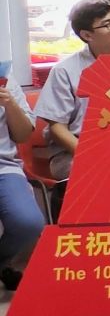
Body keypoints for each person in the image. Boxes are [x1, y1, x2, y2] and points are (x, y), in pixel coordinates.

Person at [35, 0, 110, 182]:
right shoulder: (64, 70)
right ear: (87, 35)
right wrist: (90, 155)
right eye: (108, 24)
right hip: (74, 152)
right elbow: (57, 127)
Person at [0, 66, 43, 291]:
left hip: (4, 167)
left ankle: (2, 261)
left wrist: (9, 104)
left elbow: (24, 134)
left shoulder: (5, 77)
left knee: (28, 222)